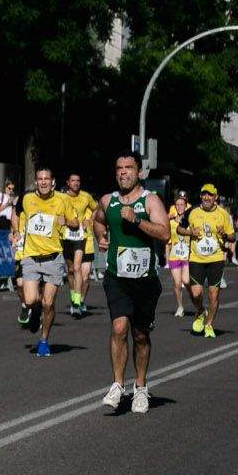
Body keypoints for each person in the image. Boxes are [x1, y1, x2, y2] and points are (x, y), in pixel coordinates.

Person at [98, 151, 169, 415]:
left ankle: (140, 387)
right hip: (117, 277)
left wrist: (137, 220)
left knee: (140, 335)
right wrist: (101, 236)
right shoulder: (108, 200)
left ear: (139, 172)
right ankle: (118, 384)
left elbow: (165, 233)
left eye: (129, 167)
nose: (123, 172)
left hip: (144, 280)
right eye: (119, 168)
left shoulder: (150, 200)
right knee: (119, 328)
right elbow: (98, 220)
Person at [14, 167, 71, 356]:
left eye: (47, 179)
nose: (44, 182)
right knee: (31, 300)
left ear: (53, 181)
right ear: (36, 182)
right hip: (31, 257)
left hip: (53, 258)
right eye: (40, 179)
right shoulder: (27, 199)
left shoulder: (63, 199)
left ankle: (44, 340)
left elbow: (75, 222)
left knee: (49, 304)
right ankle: (34, 309)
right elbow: (16, 212)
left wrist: (66, 222)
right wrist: (15, 231)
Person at [183, 184, 233, 339]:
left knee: (213, 294)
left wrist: (225, 235)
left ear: (215, 197)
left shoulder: (223, 214)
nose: (206, 197)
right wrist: (189, 232)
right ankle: (200, 311)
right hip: (196, 258)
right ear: (201, 196)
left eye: (210, 195)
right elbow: (179, 229)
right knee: (196, 293)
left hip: (216, 259)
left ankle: (209, 324)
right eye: (204, 194)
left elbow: (232, 236)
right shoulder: (192, 211)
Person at [62, 171, 97, 319]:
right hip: (67, 238)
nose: (76, 183)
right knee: (71, 271)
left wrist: (90, 220)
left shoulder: (86, 196)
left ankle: (79, 302)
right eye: (73, 181)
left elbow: (96, 208)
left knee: (85, 275)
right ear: (68, 183)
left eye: (78, 181)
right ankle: (74, 299)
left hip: (84, 238)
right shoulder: (62, 198)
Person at [165, 190, 192, 316]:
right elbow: (167, 240)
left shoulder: (190, 221)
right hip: (175, 256)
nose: (180, 206)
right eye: (177, 205)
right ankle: (180, 307)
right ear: (175, 207)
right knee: (177, 284)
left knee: (186, 281)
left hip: (187, 256)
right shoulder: (171, 222)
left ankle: (196, 302)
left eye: (182, 204)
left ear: (186, 206)